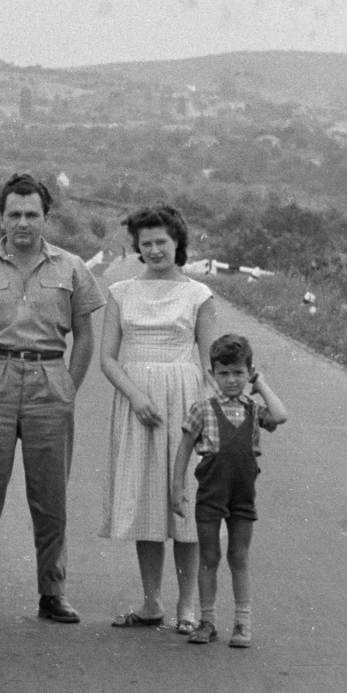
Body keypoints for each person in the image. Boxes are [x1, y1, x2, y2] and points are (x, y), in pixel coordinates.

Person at [0, 173, 103, 624]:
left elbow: (86, 334)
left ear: (45, 217)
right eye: (14, 214)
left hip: (48, 381)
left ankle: (52, 592)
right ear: (1, 216)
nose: (23, 223)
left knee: (50, 497)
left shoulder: (71, 267)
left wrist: (69, 385)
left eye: (32, 214)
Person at [99, 204, 216, 634]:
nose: (153, 250)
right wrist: (135, 396)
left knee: (181, 501)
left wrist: (205, 414)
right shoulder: (121, 292)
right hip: (139, 406)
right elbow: (107, 359)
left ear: (177, 243)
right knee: (147, 500)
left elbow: (210, 364)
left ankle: (187, 605)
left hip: (185, 402)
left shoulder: (198, 295)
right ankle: (151, 602)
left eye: (161, 242)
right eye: (145, 243)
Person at [170, 333, 288, 647]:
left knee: (239, 557)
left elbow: (280, 415)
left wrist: (259, 384)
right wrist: (177, 487)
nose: (231, 380)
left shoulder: (253, 409)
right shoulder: (203, 409)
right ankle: (207, 621)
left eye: (238, 373)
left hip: (242, 498)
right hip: (210, 496)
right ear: (212, 375)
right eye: (224, 373)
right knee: (209, 556)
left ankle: (242, 624)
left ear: (248, 373)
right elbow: (183, 449)